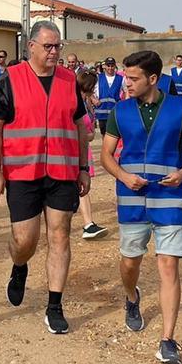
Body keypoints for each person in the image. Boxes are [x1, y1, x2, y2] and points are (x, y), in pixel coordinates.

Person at [0, 21, 90, 334]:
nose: (54, 52)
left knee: (60, 235)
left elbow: (80, 127)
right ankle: (19, 267)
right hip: (22, 172)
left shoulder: (69, 80)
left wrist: (83, 167)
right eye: (48, 46)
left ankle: (54, 305)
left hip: (61, 173)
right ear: (31, 46)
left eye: (58, 46)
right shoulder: (11, 80)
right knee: (24, 241)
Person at [102, 50, 182, 364]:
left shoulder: (180, 109)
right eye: (125, 76)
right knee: (130, 263)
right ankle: (132, 297)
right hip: (132, 200)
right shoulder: (119, 111)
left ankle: (168, 339)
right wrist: (123, 175)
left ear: (153, 79)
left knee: (169, 266)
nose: (126, 82)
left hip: (171, 200)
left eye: (132, 78)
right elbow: (106, 155)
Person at [75, 72, 109, 240]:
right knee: (81, 188)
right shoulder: (75, 101)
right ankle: (88, 224)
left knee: (82, 188)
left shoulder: (86, 102)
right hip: (75, 149)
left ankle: (88, 223)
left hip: (83, 148)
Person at [92, 57, 124, 136]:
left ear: (115, 66)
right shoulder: (98, 77)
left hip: (114, 112)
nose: (110, 68)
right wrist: (93, 99)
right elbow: (89, 91)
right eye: (108, 65)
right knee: (104, 134)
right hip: (101, 112)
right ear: (104, 66)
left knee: (114, 134)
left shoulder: (121, 79)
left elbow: (127, 92)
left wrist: (123, 104)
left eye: (112, 65)